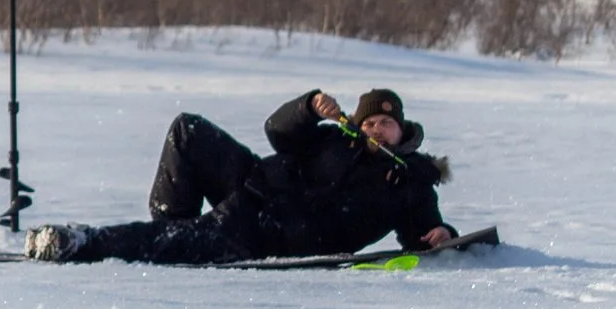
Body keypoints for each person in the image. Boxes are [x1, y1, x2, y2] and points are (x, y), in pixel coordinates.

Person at [25, 87, 456, 265]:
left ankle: (80, 242)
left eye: (385, 125)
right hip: (252, 187)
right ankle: (175, 232)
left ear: (402, 130)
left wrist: (440, 233)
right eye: (369, 124)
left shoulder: (410, 180)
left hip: (267, 234)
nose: (376, 130)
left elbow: (423, 231)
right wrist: (308, 108)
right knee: (187, 130)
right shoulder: (330, 140)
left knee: (174, 241)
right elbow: (277, 133)